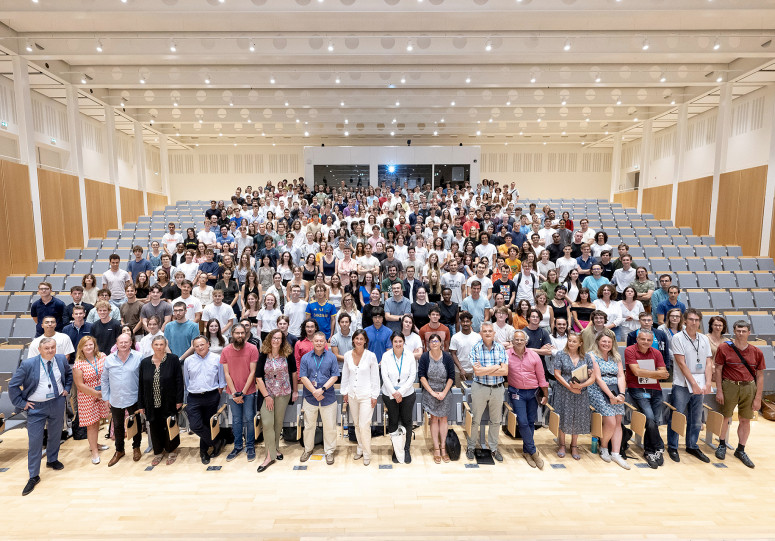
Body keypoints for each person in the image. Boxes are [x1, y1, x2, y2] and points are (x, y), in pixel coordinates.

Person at [9, 337, 72, 496]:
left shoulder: (60, 359)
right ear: (40, 350)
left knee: (56, 434)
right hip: (36, 407)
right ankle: (33, 475)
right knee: (35, 441)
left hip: (57, 402)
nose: (50, 351)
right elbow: (12, 385)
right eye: (47, 348)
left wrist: (66, 388)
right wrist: (21, 403)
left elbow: (69, 374)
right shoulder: (28, 364)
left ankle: (52, 460)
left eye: (53, 347)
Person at [714, 320, 765, 468]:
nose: (741, 334)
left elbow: (760, 376)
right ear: (734, 332)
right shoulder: (724, 348)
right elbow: (718, 369)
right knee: (725, 416)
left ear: (749, 333)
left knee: (745, 419)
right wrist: (719, 390)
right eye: (738, 331)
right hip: (729, 385)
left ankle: (741, 449)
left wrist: (758, 397)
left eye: (744, 331)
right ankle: (722, 444)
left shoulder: (757, 352)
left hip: (749, 387)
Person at [667, 309, 713, 465]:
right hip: (682, 384)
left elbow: (708, 362)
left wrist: (707, 383)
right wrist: (694, 384)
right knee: (678, 416)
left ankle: (692, 446)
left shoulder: (704, 339)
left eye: (697, 320)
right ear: (684, 321)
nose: (694, 322)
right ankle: (672, 446)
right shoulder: (678, 338)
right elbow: (681, 363)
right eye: (691, 319)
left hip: (700, 384)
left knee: (696, 418)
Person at [624, 331, 669, 468]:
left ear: (652, 341)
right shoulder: (629, 350)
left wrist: (646, 372)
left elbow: (665, 374)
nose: (645, 342)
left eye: (649, 340)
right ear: (637, 339)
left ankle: (650, 451)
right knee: (649, 418)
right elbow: (636, 372)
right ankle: (657, 447)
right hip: (637, 389)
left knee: (654, 421)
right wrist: (657, 373)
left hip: (655, 389)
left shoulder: (656, 352)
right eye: (642, 339)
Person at [137, 336, 184, 466]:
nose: (159, 347)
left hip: (169, 400)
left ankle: (172, 450)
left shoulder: (173, 359)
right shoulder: (145, 362)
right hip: (151, 402)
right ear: (152, 346)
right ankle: (158, 452)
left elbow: (179, 381)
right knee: (154, 427)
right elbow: (141, 384)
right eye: (156, 344)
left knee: (170, 425)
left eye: (161, 344)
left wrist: (179, 400)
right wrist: (141, 404)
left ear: (165, 345)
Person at [255, 329, 298, 472]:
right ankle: (269, 456)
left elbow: (293, 373)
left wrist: (295, 390)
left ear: (282, 340)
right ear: (269, 339)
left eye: (279, 338)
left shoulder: (288, 353)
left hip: (283, 393)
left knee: (278, 423)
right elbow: (258, 378)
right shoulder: (263, 355)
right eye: (274, 338)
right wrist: (267, 396)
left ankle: (275, 449)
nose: (276, 340)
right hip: (268, 394)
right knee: (267, 424)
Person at [506, 330, 549, 469]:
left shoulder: (534, 355)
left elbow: (541, 377)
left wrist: (545, 394)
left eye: (521, 339)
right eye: (516, 339)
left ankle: (526, 451)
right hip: (516, 392)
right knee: (523, 422)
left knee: (531, 422)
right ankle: (534, 451)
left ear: (526, 341)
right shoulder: (506, 355)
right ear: (512, 341)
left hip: (533, 392)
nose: (519, 342)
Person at [465, 322, 508, 462]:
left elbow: (505, 371)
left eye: (490, 331)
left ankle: (494, 448)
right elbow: (477, 371)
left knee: (496, 420)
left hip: (497, 388)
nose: (488, 333)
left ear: (494, 333)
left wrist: (485, 370)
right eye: (485, 331)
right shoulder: (475, 348)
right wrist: (496, 367)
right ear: (481, 333)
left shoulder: (501, 348)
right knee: (475, 419)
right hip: (479, 387)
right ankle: (471, 446)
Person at [587, 333, 630, 470]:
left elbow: (621, 375)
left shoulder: (616, 356)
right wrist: (611, 396)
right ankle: (604, 446)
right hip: (598, 390)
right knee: (610, 421)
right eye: (604, 341)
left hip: (616, 390)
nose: (606, 344)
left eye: (609, 342)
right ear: (598, 342)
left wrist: (621, 394)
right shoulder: (592, 356)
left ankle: (616, 453)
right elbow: (598, 378)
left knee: (618, 420)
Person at [183, 335, 227, 465]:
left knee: (207, 424)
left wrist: (216, 393)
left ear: (208, 344)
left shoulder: (216, 358)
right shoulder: (188, 361)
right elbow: (187, 380)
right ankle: (216, 441)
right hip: (194, 397)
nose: (200, 347)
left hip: (211, 395)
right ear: (193, 347)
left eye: (202, 344)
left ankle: (204, 452)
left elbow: (221, 380)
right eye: (196, 346)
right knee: (195, 425)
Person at [101, 333, 143, 467]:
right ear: (116, 344)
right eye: (121, 342)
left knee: (135, 424)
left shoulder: (139, 357)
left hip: (134, 397)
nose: (123, 344)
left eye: (126, 342)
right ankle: (119, 450)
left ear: (131, 343)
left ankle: (136, 447)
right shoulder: (109, 359)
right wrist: (106, 397)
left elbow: (143, 379)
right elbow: (104, 379)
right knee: (118, 426)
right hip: (115, 398)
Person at [299, 332, 340, 465]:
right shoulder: (305, 358)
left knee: (330, 427)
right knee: (309, 426)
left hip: (328, 397)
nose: (318, 343)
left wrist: (322, 389)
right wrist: (314, 391)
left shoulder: (332, 357)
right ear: (313, 342)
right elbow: (303, 377)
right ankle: (308, 449)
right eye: (316, 341)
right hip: (310, 398)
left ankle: (329, 451)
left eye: (321, 341)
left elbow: (334, 376)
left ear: (324, 342)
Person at [552, 332, 594, 460]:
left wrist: (581, 385)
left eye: (574, 341)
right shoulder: (560, 354)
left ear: (580, 343)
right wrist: (570, 387)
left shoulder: (586, 357)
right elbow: (557, 374)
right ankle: (562, 444)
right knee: (564, 416)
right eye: (569, 340)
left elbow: (592, 374)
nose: (571, 343)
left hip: (580, 391)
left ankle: (574, 445)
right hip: (564, 390)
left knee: (577, 417)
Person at [341, 330, 380, 466]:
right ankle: (360, 447)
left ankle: (367, 453)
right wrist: (344, 392)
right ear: (353, 340)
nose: (358, 341)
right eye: (356, 338)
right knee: (357, 424)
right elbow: (345, 376)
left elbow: (375, 377)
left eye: (361, 339)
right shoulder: (347, 355)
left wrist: (374, 395)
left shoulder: (371, 356)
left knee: (364, 425)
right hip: (352, 395)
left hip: (367, 396)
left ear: (365, 341)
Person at [221, 324, 259, 462]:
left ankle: (250, 446)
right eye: (237, 333)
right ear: (232, 333)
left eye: (242, 333)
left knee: (249, 419)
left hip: (248, 392)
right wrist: (235, 394)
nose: (240, 336)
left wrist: (242, 392)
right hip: (233, 392)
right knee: (236, 420)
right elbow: (227, 373)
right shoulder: (225, 351)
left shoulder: (252, 349)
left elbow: (253, 372)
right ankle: (237, 446)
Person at [72, 336, 111, 464]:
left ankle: (95, 444)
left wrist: (103, 393)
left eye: (91, 345)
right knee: (91, 425)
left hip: (101, 394)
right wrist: (96, 393)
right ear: (81, 348)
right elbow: (79, 385)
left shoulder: (102, 356)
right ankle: (94, 450)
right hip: (87, 397)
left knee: (98, 421)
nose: (89, 347)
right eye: (86, 345)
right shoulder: (78, 363)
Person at [381, 332, 418, 464]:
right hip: (389, 394)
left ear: (404, 342)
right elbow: (384, 377)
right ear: (392, 342)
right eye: (395, 341)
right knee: (393, 421)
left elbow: (412, 376)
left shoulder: (409, 356)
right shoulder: (386, 356)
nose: (398, 344)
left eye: (400, 341)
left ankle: (406, 448)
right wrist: (394, 393)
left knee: (407, 421)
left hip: (407, 394)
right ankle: (396, 449)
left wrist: (400, 392)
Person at [419, 333, 456, 464]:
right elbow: (422, 377)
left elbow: (452, 377)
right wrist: (432, 393)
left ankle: (443, 448)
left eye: (436, 341)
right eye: (432, 341)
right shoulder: (424, 357)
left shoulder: (447, 357)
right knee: (434, 419)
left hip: (445, 390)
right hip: (430, 391)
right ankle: (436, 448)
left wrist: (444, 392)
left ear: (441, 343)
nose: (434, 343)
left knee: (444, 419)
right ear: (428, 344)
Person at [450, 312, 480, 385]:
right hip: (459, 371)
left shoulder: (478, 337)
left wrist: (476, 368)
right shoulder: (455, 337)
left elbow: (480, 353)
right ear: (460, 323)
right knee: (459, 394)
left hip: (474, 371)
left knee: (474, 394)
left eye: (467, 321)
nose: (465, 323)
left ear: (471, 323)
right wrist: (461, 369)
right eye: (463, 321)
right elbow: (453, 354)